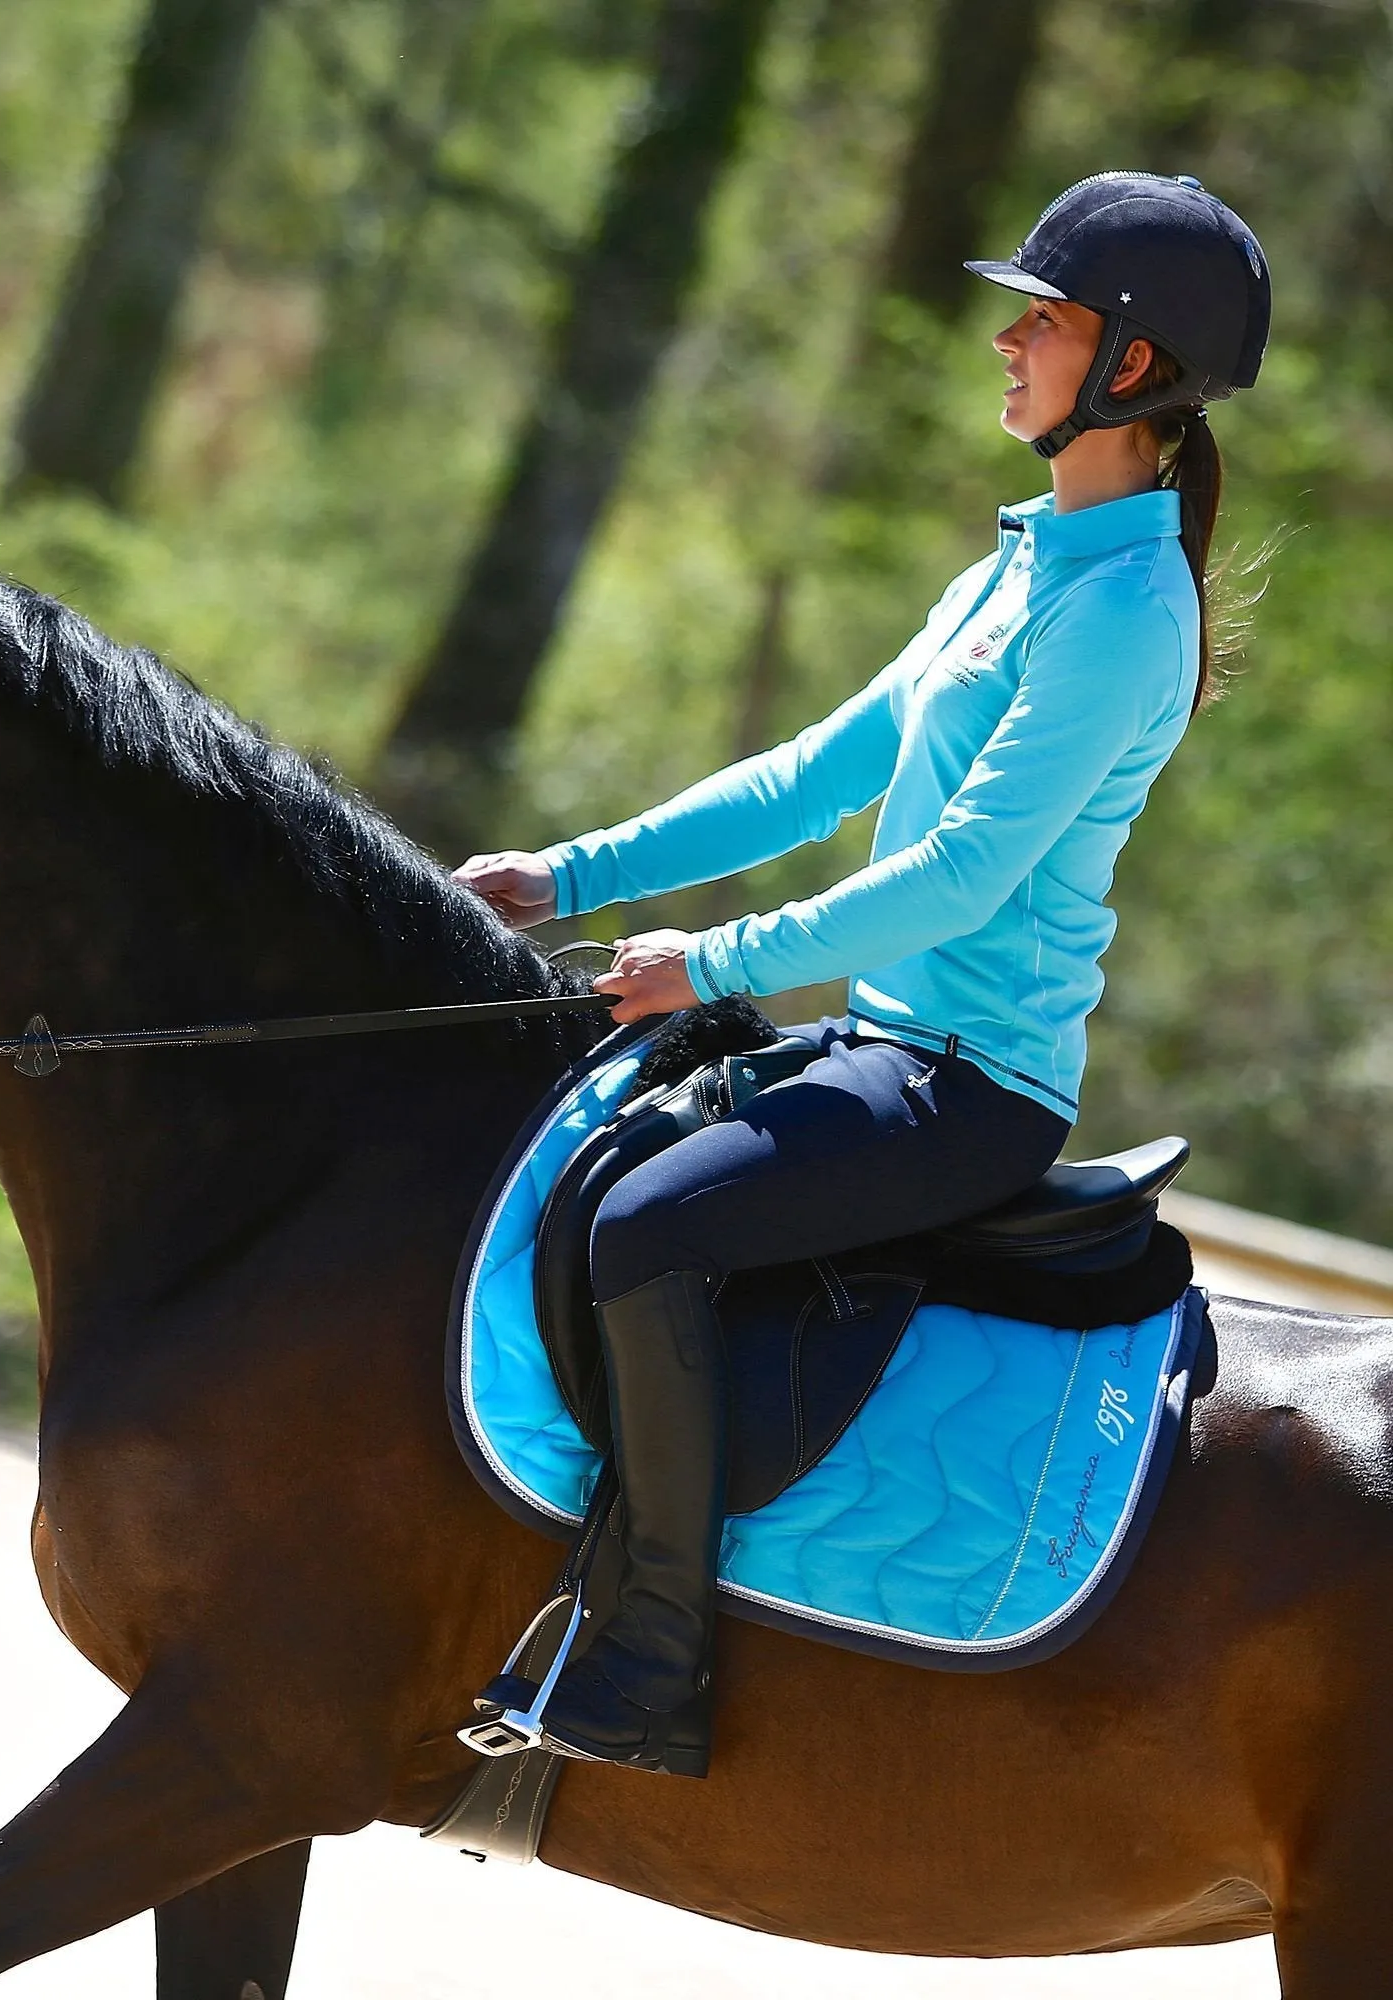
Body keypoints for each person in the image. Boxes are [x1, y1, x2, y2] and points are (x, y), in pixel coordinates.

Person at [456, 172, 1271, 1779]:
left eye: (1041, 316)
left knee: (647, 1226)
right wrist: (571, 871)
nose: (1004, 338)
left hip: (970, 1091)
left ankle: (655, 1651)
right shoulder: (1022, 569)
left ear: (1129, 366)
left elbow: (964, 871)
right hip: (882, 1045)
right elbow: (821, 771)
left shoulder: (1124, 612)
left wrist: (716, 957)